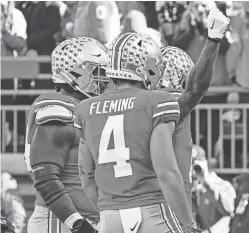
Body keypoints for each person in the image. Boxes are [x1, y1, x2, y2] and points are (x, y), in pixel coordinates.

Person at [75, 32, 200, 233]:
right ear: (147, 68)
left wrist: (110, 207)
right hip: (151, 211)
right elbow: (166, 171)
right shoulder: (158, 102)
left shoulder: (86, 108)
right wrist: (189, 225)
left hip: (109, 215)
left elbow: (86, 177)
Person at [25, 37, 109, 233]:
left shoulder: (84, 109)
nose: (104, 79)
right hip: (60, 221)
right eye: (97, 71)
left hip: (84, 219)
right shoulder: (58, 104)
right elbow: (44, 176)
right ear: (76, 73)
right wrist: (77, 224)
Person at [153, 6, 230, 209]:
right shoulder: (171, 105)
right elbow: (197, 86)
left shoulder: (138, 102)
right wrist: (212, 38)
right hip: (168, 201)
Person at [191, 145, 236, 233]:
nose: (192, 171)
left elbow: (228, 211)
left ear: (205, 163)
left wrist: (206, 183)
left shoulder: (223, 185)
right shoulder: (187, 190)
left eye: (194, 166)